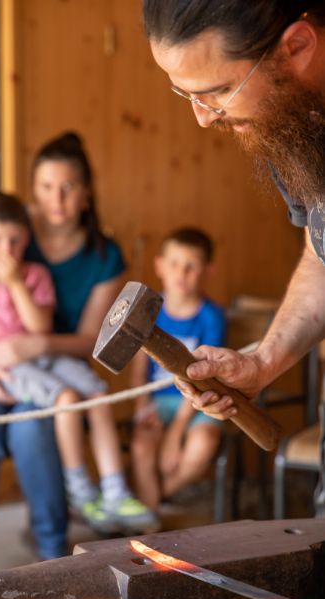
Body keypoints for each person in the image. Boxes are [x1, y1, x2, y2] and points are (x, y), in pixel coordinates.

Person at [0, 132, 159, 537]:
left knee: (51, 414)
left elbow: (91, 339)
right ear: (33, 191)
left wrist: (37, 343)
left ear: (87, 194)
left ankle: (66, 522)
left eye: (68, 188)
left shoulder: (104, 256)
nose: (57, 199)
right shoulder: (10, 237)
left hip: (59, 360)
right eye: (46, 187)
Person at [141, 2, 325, 421]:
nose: (203, 118)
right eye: (187, 94)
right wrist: (264, 362)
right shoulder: (290, 122)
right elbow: (322, 255)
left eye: (220, 91)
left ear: (296, 46)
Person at [130, 228, 226, 507]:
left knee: (204, 442)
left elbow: (202, 378)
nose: (181, 273)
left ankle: (152, 502)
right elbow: (138, 373)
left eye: (191, 266)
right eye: (174, 264)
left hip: (198, 401)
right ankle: (149, 526)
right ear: (159, 266)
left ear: (208, 271)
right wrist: (142, 407)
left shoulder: (212, 317)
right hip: (158, 400)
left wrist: (176, 433)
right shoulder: (148, 311)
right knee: (141, 445)